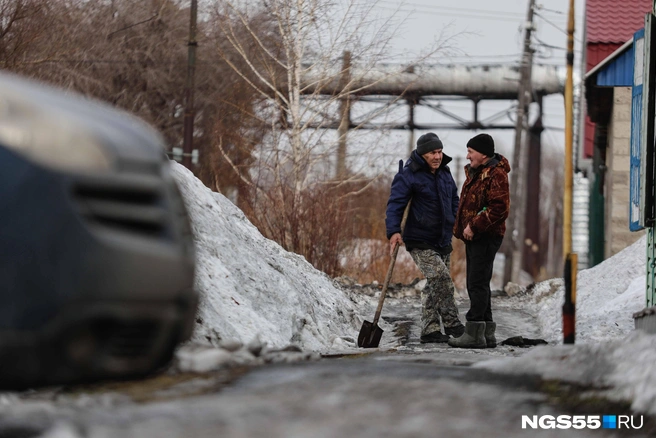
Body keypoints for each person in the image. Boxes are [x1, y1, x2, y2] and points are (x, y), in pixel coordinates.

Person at [385, 132, 464, 343]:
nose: (438, 156)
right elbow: (395, 204)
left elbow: (454, 201)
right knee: (440, 278)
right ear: (423, 154)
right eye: (432, 153)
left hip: (443, 237)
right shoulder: (409, 174)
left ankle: (429, 330)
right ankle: (453, 324)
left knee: (433, 284)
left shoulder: (445, 173)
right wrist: (393, 231)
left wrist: (456, 223)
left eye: (439, 152)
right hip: (419, 238)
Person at [449, 133, 510, 349]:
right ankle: (486, 333)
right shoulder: (479, 173)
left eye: (470, 152)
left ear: (483, 154)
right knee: (480, 282)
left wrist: (473, 225)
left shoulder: (496, 175)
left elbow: (499, 208)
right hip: (477, 237)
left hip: (485, 236)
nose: (467, 156)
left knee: (476, 283)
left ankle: (474, 331)